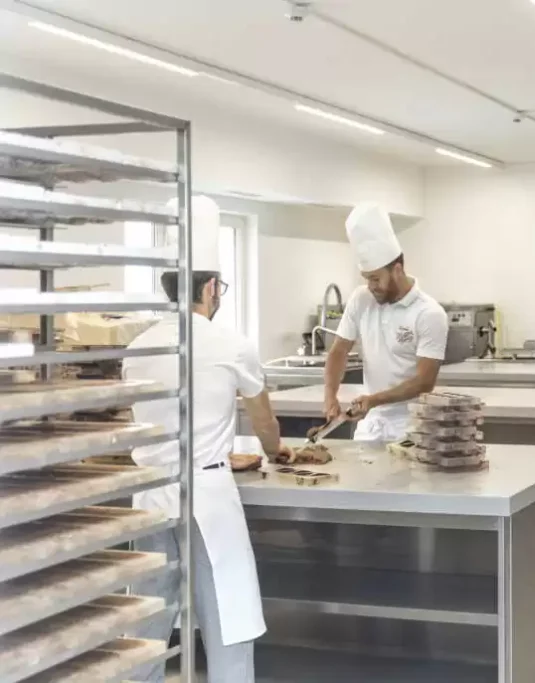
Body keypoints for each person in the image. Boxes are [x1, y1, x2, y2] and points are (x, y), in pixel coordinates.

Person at [125, 196, 292, 682]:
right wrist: (277, 451)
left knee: (148, 622)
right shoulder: (233, 345)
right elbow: (265, 426)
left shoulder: (138, 346)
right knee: (228, 617)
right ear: (213, 288)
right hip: (208, 497)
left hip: (151, 494)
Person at [323, 203, 449, 440]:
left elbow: (424, 381)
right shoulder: (361, 299)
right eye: (366, 279)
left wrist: (374, 400)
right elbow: (338, 351)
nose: (371, 286)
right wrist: (330, 395)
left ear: (397, 270)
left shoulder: (429, 313)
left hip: (412, 427)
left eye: (376, 278)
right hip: (370, 426)